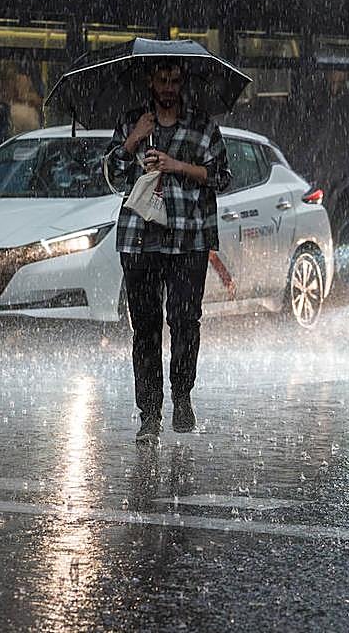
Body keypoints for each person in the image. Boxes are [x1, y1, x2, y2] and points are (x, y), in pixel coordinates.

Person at [106, 59, 232, 442]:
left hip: (188, 239)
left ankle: (181, 394)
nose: (167, 87)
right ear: (150, 81)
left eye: (174, 80)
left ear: (183, 83)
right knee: (145, 328)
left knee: (185, 322)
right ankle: (149, 413)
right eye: (161, 79)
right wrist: (132, 143)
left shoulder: (202, 126)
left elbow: (222, 177)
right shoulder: (133, 122)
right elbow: (111, 177)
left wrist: (176, 165)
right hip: (139, 240)